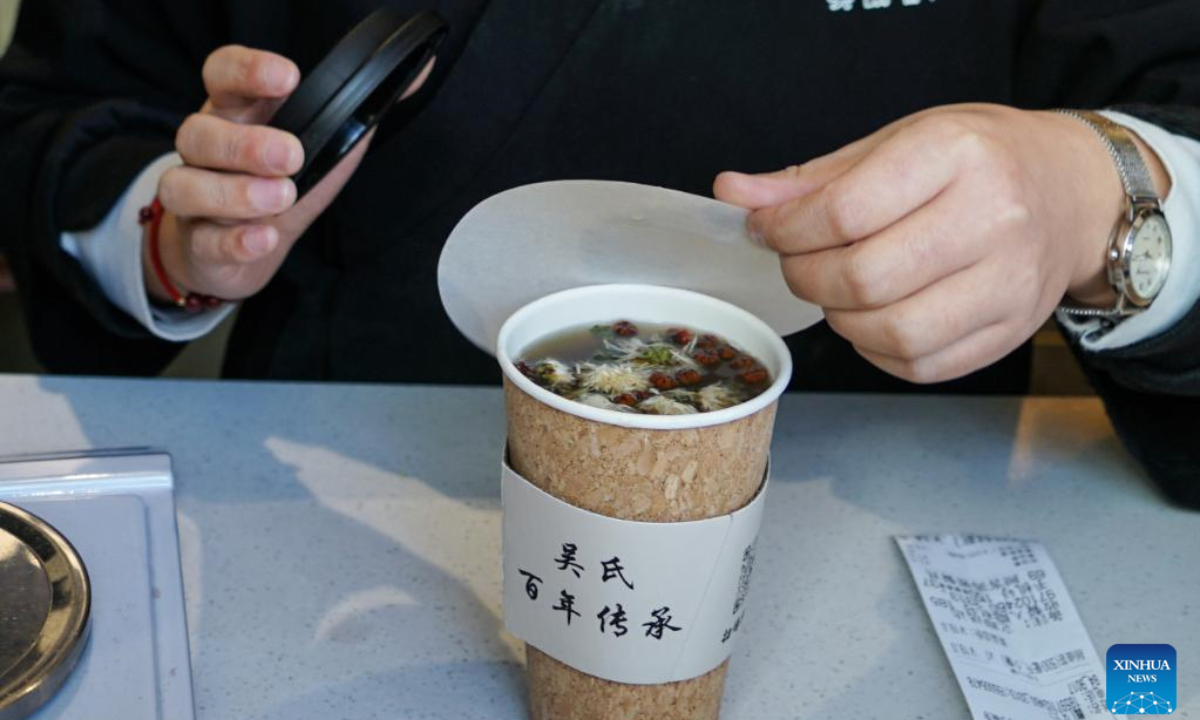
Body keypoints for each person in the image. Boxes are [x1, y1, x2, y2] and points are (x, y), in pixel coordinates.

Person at [0, 0, 1197, 506]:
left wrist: (1104, 192)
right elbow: (56, 114)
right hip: (336, 509)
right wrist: (174, 226)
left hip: (885, 502)